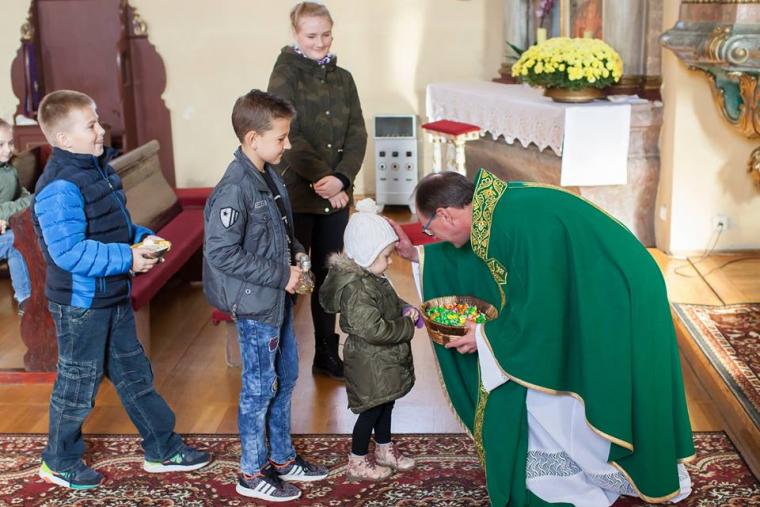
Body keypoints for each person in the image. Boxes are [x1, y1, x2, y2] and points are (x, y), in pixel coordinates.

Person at [390, 170, 694, 506]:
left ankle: (596, 471)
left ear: (445, 214)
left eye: (430, 229)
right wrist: (418, 254)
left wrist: (486, 337)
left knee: (568, 389)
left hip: (618, 298)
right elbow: (487, 264)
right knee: (548, 382)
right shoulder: (496, 210)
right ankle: (579, 466)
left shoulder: (517, 224)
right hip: (600, 289)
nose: (434, 237)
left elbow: (541, 312)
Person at [32, 90, 211, 490]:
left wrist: (141, 238)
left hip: (111, 294)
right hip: (81, 304)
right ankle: (59, 462)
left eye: (98, 121)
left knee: (134, 375)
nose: (101, 130)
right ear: (64, 139)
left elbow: (114, 227)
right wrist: (128, 259)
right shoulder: (59, 187)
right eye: (91, 125)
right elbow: (69, 252)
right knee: (78, 385)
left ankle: (162, 449)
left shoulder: (98, 170)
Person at [203, 89, 329, 502]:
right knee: (259, 388)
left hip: (277, 298)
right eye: (281, 137)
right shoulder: (235, 187)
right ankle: (251, 471)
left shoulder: (269, 175)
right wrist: (281, 273)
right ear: (253, 139)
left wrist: (297, 253)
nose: (287, 144)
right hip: (256, 304)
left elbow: (280, 230)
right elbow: (221, 252)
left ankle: (282, 457)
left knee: (285, 378)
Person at [268, 1, 368, 380]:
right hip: (297, 194)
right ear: (296, 33)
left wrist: (342, 178)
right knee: (292, 276)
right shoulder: (284, 74)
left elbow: (357, 132)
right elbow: (289, 133)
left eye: (326, 34)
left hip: (336, 194)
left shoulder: (344, 79)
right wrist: (323, 179)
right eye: (312, 35)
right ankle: (278, 357)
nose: (321, 42)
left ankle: (326, 353)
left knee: (329, 275)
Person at [320, 199, 419, 482]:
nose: (390, 261)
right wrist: (406, 325)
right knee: (371, 411)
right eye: (386, 256)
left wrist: (404, 308)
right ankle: (358, 460)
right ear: (366, 254)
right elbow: (374, 329)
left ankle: (384, 449)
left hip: (382, 362)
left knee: (386, 403)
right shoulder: (357, 290)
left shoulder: (374, 278)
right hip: (369, 362)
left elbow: (389, 302)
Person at [0, 118, 32, 315]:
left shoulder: (9, 169)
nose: (8, 149)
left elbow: (22, 194)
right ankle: (26, 298)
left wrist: (28, 200)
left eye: (10, 143)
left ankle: (26, 300)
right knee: (15, 239)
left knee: (18, 240)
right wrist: (30, 202)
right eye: (0, 145)